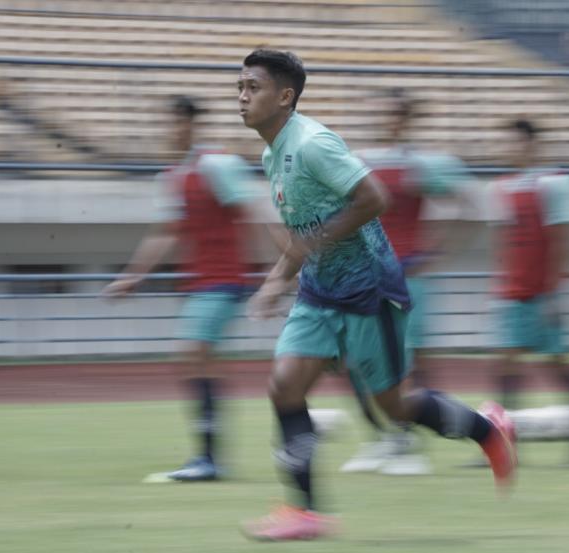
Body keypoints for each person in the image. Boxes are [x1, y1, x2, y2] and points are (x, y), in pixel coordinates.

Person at [236, 49, 516, 541]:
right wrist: (278, 277)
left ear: (285, 96)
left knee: (397, 407)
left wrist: (305, 250)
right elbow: (306, 230)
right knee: (284, 386)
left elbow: (374, 198)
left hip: (369, 290)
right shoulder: (271, 154)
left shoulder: (314, 143)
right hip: (321, 293)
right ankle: (305, 512)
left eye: (252, 87)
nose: (241, 97)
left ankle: (486, 428)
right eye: (239, 87)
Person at [103, 96, 258, 481]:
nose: (167, 131)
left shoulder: (217, 165)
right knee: (196, 362)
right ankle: (208, 458)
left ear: (190, 124)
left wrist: (269, 272)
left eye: (173, 123)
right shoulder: (172, 176)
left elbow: (251, 214)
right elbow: (167, 231)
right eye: (165, 124)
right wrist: (133, 275)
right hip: (201, 281)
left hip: (225, 279)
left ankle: (209, 459)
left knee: (193, 355)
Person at [343, 88, 476, 476]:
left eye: (397, 114)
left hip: (404, 275)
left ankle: (407, 443)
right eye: (384, 113)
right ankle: (383, 437)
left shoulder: (424, 164)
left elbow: (471, 206)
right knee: (352, 360)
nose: (390, 120)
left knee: (403, 362)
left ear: (407, 118)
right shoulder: (359, 160)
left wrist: (437, 253)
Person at [487, 118, 569, 464]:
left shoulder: (556, 183)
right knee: (505, 367)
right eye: (506, 142)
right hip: (513, 293)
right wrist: (499, 286)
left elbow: (562, 241)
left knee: (559, 366)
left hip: (544, 295)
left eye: (516, 142)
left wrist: (555, 293)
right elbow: (505, 243)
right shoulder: (501, 187)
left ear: (533, 144)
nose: (509, 149)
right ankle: (504, 444)